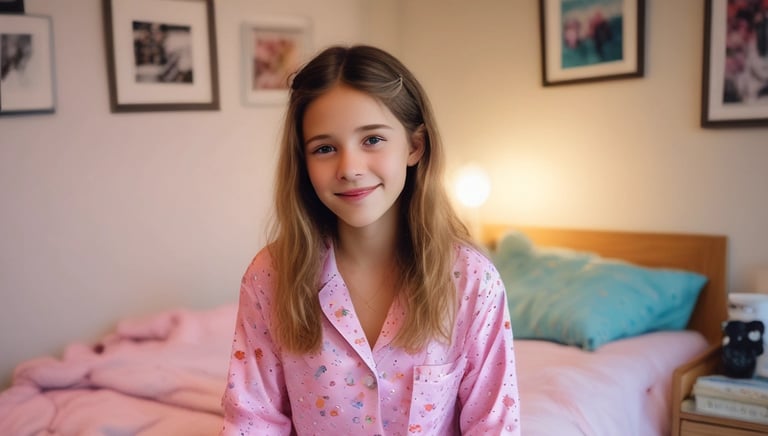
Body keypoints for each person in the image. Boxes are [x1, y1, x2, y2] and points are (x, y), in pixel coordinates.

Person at [220, 44, 520, 435]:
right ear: (304, 162)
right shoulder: (270, 277)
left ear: (415, 146)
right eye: (325, 148)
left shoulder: (473, 283)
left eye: (372, 140)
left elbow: (493, 426)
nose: (350, 168)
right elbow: (253, 420)